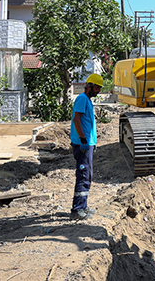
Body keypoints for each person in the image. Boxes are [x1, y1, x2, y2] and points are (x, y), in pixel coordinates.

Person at [69, 73, 102, 220]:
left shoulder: (87, 100)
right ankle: (77, 210)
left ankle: (83, 206)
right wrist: (83, 140)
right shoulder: (82, 99)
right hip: (83, 144)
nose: (98, 91)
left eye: (99, 88)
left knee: (87, 175)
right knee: (83, 175)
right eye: (96, 87)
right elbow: (77, 119)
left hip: (87, 144)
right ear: (89, 86)